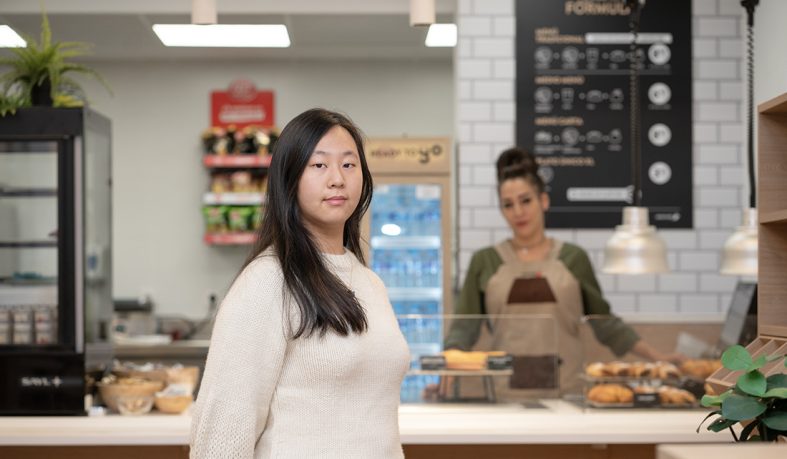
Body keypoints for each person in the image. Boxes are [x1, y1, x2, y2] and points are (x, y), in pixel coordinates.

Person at [190, 108, 410, 458]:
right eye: (319, 165)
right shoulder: (267, 281)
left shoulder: (370, 283)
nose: (337, 178)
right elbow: (222, 432)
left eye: (349, 164)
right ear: (289, 179)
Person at [442, 147, 683, 397]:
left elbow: (605, 323)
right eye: (508, 205)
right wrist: (445, 366)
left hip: (567, 394)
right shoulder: (485, 261)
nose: (518, 212)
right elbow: (464, 327)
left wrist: (658, 357)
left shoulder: (573, 258)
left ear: (543, 201)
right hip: (507, 396)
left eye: (526, 200)